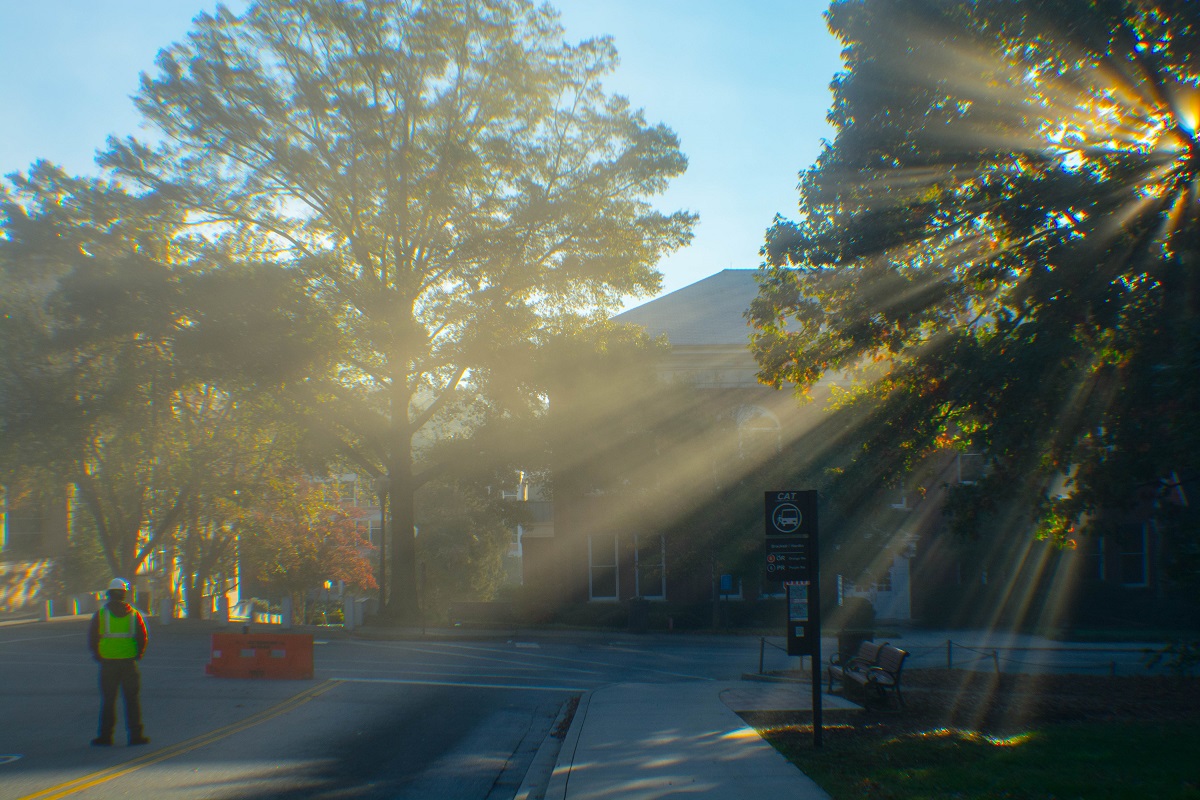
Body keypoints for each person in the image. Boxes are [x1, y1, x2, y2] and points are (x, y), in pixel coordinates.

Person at [87, 578, 150, 746]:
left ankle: (105, 736)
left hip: (108, 663)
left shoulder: (101, 614)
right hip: (129, 662)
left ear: (109, 594)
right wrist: (139, 654)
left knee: (108, 701)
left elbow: (92, 638)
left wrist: (98, 655)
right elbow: (142, 637)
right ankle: (136, 736)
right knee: (132, 700)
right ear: (124, 594)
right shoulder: (134, 614)